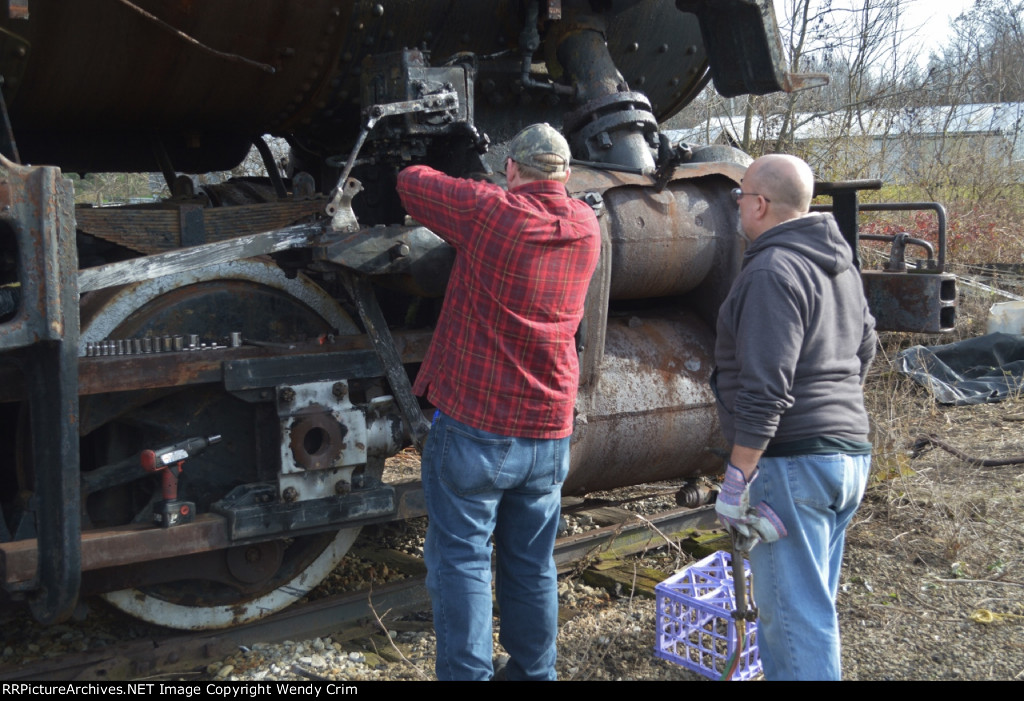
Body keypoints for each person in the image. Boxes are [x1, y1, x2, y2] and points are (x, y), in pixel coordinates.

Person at [395, 124, 600, 681]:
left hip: (478, 429)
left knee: (462, 560)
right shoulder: (587, 226)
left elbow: (412, 183)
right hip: (549, 429)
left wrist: (445, 163)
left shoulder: (492, 211)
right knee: (532, 563)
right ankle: (536, 673)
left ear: (511, 169)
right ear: (566, 173)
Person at [712, 154, 877, 680]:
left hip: (792, 466)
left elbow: (765, 389)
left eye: (740, 196)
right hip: (847, 457)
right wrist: (834, 410)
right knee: (813, 607)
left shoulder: (771, 269)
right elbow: (866, 346)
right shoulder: (839, 263)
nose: (738, 206)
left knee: (793, 622)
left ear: (759, 204)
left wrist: (737, 478)